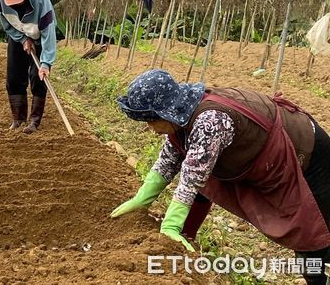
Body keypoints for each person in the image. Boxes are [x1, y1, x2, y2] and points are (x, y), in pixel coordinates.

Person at [110, 69, 330, 285]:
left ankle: (317, 278)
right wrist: (142, 198)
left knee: (314, 231)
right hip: (264, 156)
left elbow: (192, 176)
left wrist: (171, 225)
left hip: (306, 150)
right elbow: (170, 159)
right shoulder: (181, 118)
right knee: (207, 182)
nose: (149, 128)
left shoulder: (210, 121)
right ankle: (186, 239)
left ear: (166, 112)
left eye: (151, 121)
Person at [0, 0, 57, 134]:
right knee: (14, 76)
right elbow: (5, 21)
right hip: (18, 33)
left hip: (40, 34)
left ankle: (34, 121)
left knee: (38, 77)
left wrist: (46, 63)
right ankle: (18, 120)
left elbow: (49, 31)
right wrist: (22, 39)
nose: (15, 5)